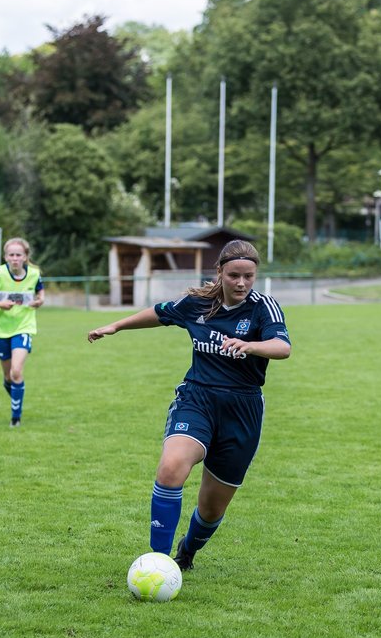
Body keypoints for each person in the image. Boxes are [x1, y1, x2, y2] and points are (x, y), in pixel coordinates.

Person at [86, 239, 291, 573]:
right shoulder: (198, 303)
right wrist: (117, 325)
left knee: (210, 509)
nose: (241, 283)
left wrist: (251, 346)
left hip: (243, 410)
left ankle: (187, 552)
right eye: (234, 275)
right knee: (171, 467)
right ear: (220, 272)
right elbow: (161, 313)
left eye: (249, 276)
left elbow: (282, 347)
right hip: (197, 399)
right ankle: (157, 562)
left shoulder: (262, 306)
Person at [0, 238, 44, 427]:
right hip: (1, 329)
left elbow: (40, 291)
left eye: (18, 255)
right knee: (7, 377)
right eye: (11, 255)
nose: (14, 258)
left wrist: (39, 301)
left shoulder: (34, 274)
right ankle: (16, 397)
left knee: (16, 371)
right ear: (5, 257)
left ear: (25, 257)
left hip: (24, 327)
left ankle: (15, 418)